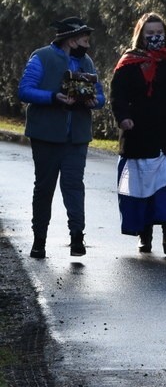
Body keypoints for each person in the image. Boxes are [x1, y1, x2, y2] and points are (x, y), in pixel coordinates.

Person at [110, 12, 166, 255]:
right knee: (143, 188)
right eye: (150, 34)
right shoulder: (129, 62)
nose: (155, 37)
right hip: (139, 136)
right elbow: (117, 95)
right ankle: (145, 234)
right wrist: (123, 118)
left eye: (158, 33)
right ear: (141, 35)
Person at [19, 16, 105, 259]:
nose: (88, 44)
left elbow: (100, 96)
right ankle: (39, 241)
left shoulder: (86, 61)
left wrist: (93, 101)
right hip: (46, 135)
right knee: (44, 188)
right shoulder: (41, 57)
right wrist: (53, 97)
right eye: (84, 39)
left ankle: (77, 237)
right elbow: (24, 90)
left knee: (74, 186)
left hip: (77, 137)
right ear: (71, 39)